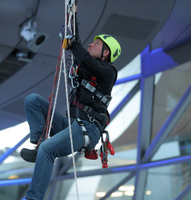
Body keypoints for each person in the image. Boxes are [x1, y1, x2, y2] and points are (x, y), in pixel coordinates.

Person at [20, 32, 121, 200]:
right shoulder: (85, 69)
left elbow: (86, 60)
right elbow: (82, 59)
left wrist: (74, 44)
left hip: (87, 128)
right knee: (33, 101)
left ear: (106, 53)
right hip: (72, 125)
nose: (90, 45)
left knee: (48, 150)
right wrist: (72, 31)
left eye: (96, 44)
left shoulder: (109, 72)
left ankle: (33, 198)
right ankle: (39, 143)